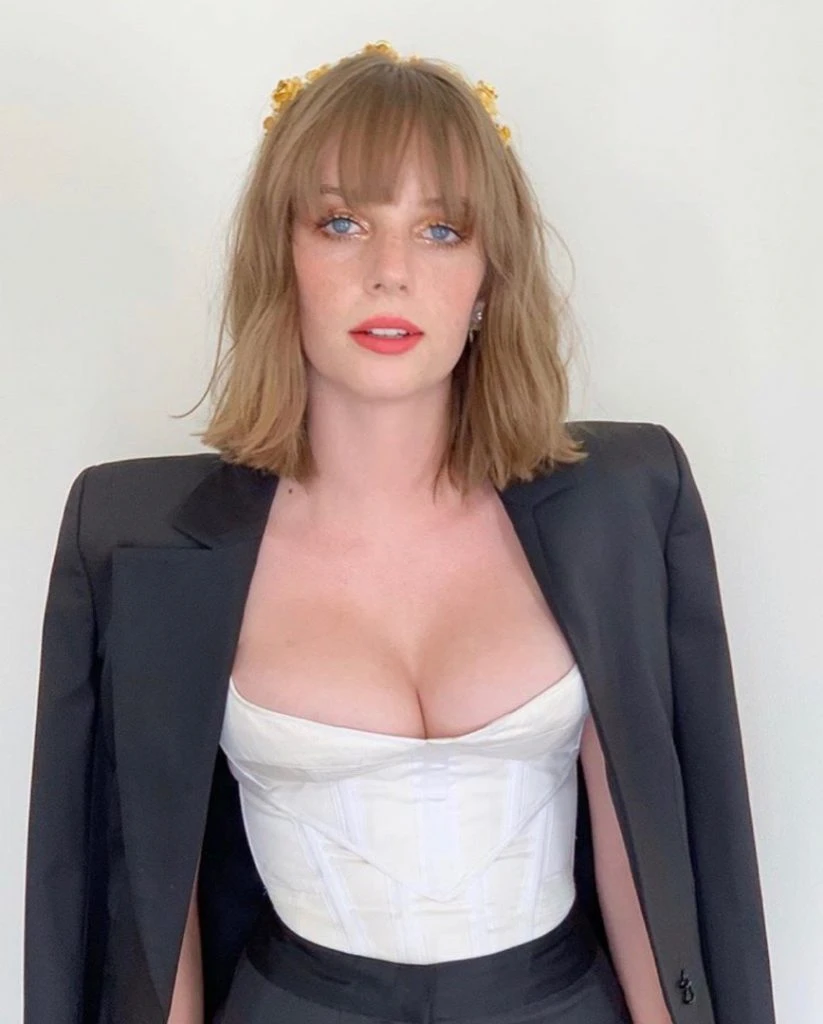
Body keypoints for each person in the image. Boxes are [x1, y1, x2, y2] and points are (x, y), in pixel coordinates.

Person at [23, 40, 775, 1024]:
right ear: (281, 258)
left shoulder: (621, 505)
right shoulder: (140, 541)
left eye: (440, 229)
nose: (390, 273)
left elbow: (651, 849)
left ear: (487, 278)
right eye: (341, 223)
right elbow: (141, 889)